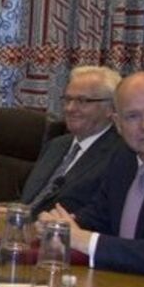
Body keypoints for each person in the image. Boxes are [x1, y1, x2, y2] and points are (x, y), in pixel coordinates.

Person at [42, 72, 144, 280]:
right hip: (118, 286)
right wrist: (59, 225)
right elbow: (100, 215)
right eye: (133, 116)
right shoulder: (123, 158)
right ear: (118, 124)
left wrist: (84, 240)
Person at [19, 66, 125, 215]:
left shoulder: (119, 155)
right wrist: (15, 211)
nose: (70, 108)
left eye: (82, 101)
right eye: (68, 99)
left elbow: (102, 216)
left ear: (111, 108)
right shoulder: (56, 145)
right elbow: (31, 200)